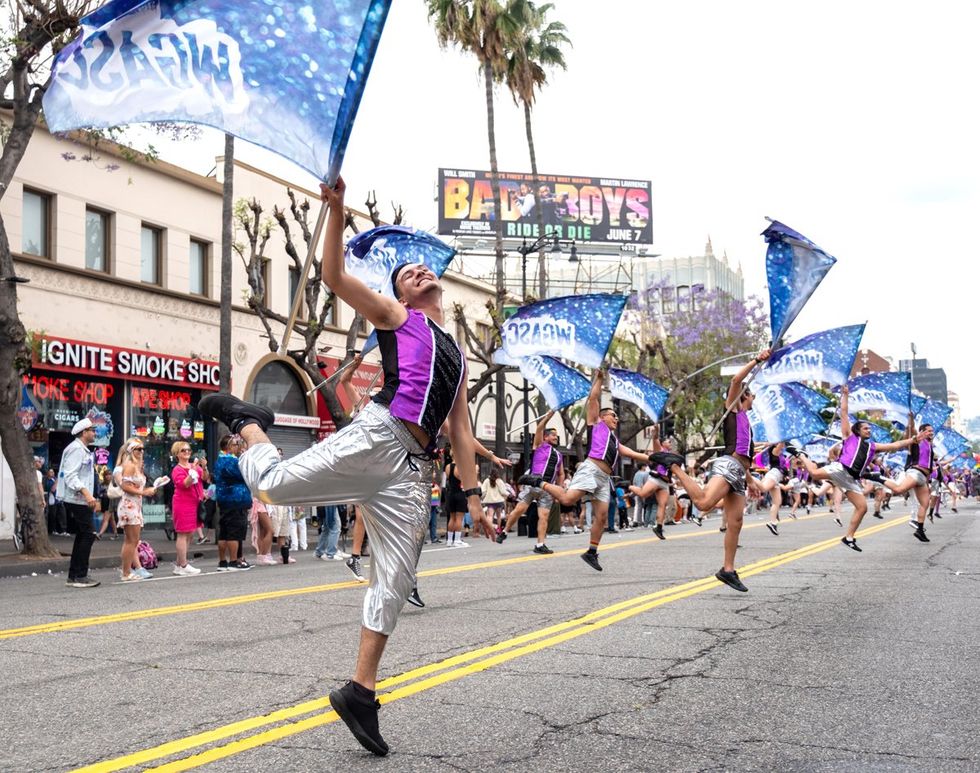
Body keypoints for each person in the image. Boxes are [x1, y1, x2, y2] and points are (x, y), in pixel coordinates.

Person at [198, 176, 493, 757]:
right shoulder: (396, 316)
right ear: (402, 296)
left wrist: (475, 498)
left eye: (420, 270)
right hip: (377, 435)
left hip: (412, 470)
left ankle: (361, 693)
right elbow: (333, 277)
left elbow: (460, 429)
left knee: (397, 579)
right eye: (406, 274)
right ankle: (249, 420)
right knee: (276, 486)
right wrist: (334, 212)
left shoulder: (458, 357)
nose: (417, 273)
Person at [650, 351, 771, 592]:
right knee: (704, 503)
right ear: (744, 396)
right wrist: (757, 360)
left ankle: (728, 570)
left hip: (739, 473)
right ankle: (674, 465)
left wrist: (752, 481)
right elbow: (736, 381)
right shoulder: (734, 410)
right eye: (751, 393)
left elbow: (746, 456)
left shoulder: (747, 421)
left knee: (736, 521)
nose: (754, 396)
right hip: (728, 465)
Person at [520, 370, 654, 572]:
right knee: (566, 500)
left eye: (617, 416)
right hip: (590, 470)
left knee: (601, 517)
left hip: (603, 478)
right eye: (613, 415)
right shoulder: (596, 424)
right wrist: (599, 379)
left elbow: (636, 454)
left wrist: (660, 459)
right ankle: (538, 482)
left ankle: (592, 551)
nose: (616, 419)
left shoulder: (615, 441)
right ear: (603, 416)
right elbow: (593, 397)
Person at [796, 388, 923, 550]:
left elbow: (895, 445)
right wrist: (846, 396)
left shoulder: (872, 446)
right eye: (866, 428)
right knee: (814, 473)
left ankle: (849, 537)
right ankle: (801, 455)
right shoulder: (849, 436)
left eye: (870, 429)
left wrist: (913, 439)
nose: (869, 430)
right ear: (858, 430)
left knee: (862, 508)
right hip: (840, 469)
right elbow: (844, 412)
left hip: (851, 479)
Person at [496, 410, 564, 554]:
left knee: (543, 516)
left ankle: (540, 545)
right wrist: (549, 415)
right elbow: (539, 428)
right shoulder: (539, 446)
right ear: (545, 437)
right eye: (552, 435)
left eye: (556, 436)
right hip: (532, 483)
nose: (555, 437)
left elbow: (561, 473)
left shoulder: (559, 455)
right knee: (519, 510)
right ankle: (505, 531)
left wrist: (559, 490)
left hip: (547, 489)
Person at [58, 418, 101, 588]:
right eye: (92, 430)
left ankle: (74, 575)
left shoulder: (82, 449)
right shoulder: (76, 449)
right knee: (88, 534)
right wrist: (87, 494)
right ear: (84, 432)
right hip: (77, 499)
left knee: (84, 534)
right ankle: (80, 575)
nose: (94, 433)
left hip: (81, 499)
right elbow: (70, 475)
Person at [115, 438, 158, 581]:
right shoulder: (129, 465)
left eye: (142, 449)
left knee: (133, 540)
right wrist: (144, 492)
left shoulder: (136, 466)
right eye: (138, 449)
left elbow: (134, 486)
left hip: (135, 505)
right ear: (131, 451)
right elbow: (125, 486)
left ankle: (128, 571)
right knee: (131, 541)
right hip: (129, 505)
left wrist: (147, 490)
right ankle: (126, 572)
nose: (141, 451)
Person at [212, 434, 252, 571]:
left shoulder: (220, 460)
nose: (238, 447)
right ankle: (234, 561)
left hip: (225, 499)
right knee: (234, 532)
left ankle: (223, 561)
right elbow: (245, 475)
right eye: (235, 444)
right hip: (235, 499)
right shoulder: (230, 461)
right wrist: (244, 457)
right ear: (228, 446)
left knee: (224, 531)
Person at [171, 441, 205, 575]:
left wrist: (204, 467)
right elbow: (184, 484)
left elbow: (205, 478)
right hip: (182, 503)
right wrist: (193, 472)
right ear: (177, 454)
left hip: (194, 502)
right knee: (182, 533)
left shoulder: (193, 466)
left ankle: (180, 564)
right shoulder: (177, 470)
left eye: (188, 450)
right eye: (183, 450)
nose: (187, 452)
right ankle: (183, 565)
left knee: (190, 534)